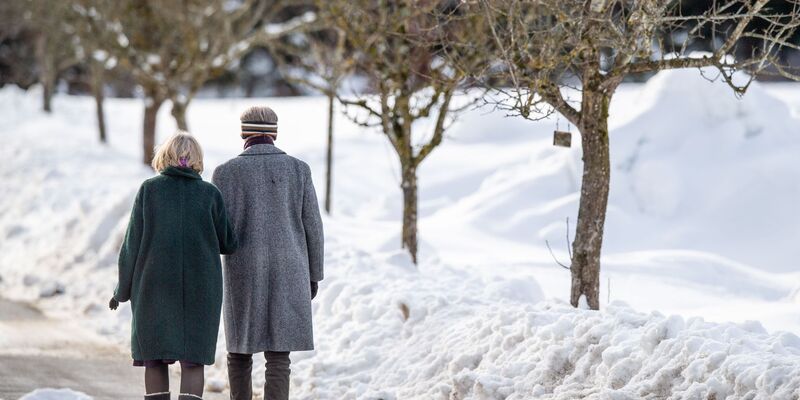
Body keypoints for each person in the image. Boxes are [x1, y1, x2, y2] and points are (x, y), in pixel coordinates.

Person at [110, 132, 238, 400]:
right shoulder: (210, 194)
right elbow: (229, 243)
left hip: (153, 289)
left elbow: (131, 245)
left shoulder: (149, 190)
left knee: (154, 358)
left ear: (164, 157)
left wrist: (121, 291)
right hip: (201, 291)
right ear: (197, 160)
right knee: (193, 361)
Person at [212, 106, 324, 400]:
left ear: (243, 133)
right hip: (291, 269)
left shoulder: (225, 173)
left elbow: (216, 229)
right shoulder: (299, 170)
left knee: (239, 351)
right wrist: (314, 275)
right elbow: (313, 226)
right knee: (279, 356)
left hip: (242, 271)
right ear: (274, 132)